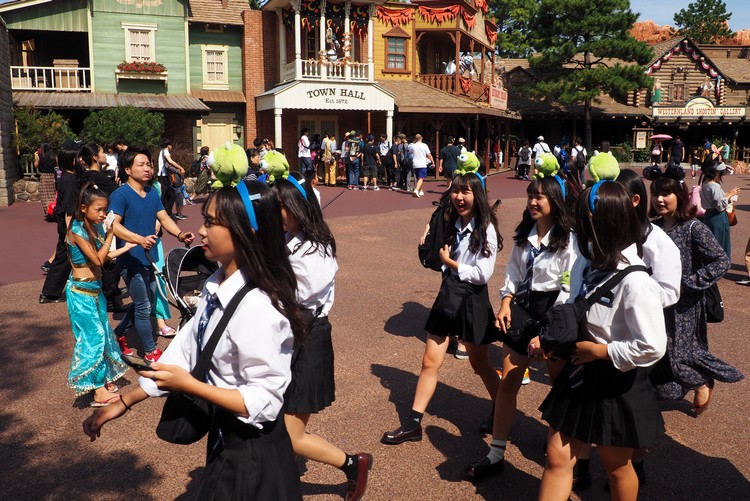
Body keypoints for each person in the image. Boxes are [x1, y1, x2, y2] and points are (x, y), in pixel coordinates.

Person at [83, 180, 304, 500]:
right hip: (226, 442)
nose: (201, 231)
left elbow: (264, 403)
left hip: (255, 458)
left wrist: (189, 385)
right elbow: (185, 352)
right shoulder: (217, 286)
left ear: (248, 231)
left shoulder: (258, 305)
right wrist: (123, 402)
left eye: (213, 222)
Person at [538, 181, 667, 501]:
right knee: (556, 456)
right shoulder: (587, 261)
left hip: (616, 382)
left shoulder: (637, 281)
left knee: (618, 468)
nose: (580, 228)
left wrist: (600, 350)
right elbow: (571, 296)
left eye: (586, 220)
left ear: (605, 222)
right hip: (580, 371)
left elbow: (653, 344)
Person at [465, 176, 583, 482]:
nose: (533, 201)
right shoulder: (524, 236)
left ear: (555, 202)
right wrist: (505, 303)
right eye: (531, 195)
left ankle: (568, 456)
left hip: (555, 313)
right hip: (523, 308)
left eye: (540, 197)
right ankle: (496, 454)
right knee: (509, 382)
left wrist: (545, 335)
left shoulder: (570, 240)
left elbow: (568, 290)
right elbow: (514, 275)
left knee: (559, 389)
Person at [381, 173, 502, 445]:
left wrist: (451, 262)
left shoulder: (487, 229)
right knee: (429, 361)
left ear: (478, 195)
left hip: (472, 299)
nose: (459, 197)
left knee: (480, 364)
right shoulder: (452, 222)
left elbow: (483, 274)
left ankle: (502, 408)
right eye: (456, 191)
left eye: (466, 192)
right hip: (449, 295)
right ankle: (412, 423)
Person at [275, 172, 373, 501]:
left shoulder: (316, 250)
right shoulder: (285, 239)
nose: (274, 213)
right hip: (285, 337)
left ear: (296, 207)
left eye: (279, 207)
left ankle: (352, 464)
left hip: (307, 337)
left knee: (291, 435)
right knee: (272, 420)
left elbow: (298, 294)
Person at [650, 175, 743, 416]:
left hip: (685, 305)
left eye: (666, 194)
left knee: (682, 352)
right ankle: (671, 388)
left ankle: (702, 381)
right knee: (659, 349)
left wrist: (691, 283)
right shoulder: (653, 228)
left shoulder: (693, 228)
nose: (659, 199)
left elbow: (721, 260)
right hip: (656, 301)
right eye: (655, 193)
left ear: (679, 197)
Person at [110, 146, 195, 362]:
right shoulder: (120, 195)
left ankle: (119, 334)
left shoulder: (152, 193)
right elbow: (114, 226)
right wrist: (138, 239)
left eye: (149, 164)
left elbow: (165, 218)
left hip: (149, 259)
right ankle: (149, 351)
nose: (147, 168)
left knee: (145, 300)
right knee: (144, 305)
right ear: (127, 169)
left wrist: (179, 234)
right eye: (141, 164)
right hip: (130, 260)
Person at [65, 183, 134, 406]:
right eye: (99, 210)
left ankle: (101, 380)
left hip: (94, 291)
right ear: (84, 208)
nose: (103, 214)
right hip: (81, 293)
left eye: (105, 210)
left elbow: (103, 256)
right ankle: (97, 391)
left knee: (102, 335)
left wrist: (124, 248)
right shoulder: (76, 229)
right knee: (92, 339)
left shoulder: (93, 228)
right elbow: (96, 259)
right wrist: (111, 233)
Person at [40, 145, 85, 304]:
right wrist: (70, 231)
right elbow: (69, 208)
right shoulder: (70, 179)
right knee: (62, 258)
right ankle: (49, 293)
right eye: (77, 158)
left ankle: (50, 292)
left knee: (63, 258)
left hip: (66, 223)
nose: (80, 160)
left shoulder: (67, 177)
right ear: (71, 160)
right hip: (68, 224)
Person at [700, 160, 740, 257]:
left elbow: (715, 199)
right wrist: (731, 193)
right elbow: (720, 206)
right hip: (718, 217)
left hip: (708, 216)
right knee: (720, 242)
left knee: (711, 242)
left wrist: (727, 195)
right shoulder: (715, 186)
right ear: (717, 173)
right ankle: (720, 265)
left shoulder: (705, 183)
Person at [157, 139, 187, 220]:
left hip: (163, 175)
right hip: (163, 175)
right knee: (169, 194)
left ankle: (166, 212)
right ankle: (165, 213)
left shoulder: (162, 151)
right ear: (168, 145)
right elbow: (170, 161)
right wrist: (180, 168)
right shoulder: (165, 151)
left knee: (167, 194)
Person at [35, 142, 58, 221]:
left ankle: (49, 212)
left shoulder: (40, 156)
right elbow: (57, 166)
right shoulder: (54, 157)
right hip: (52, 177)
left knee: (45, 196)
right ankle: (54, 210)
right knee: (52, 196)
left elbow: (36, 165)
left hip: (44, 177)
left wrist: (36, 157)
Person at [411, 133, 433, 198]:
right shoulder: (424, 145)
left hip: (415, 163)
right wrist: (433, 162)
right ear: (421, 138)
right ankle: (416, 190)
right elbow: (429, 155)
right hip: (422, 163)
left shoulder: (413, 145)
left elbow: (410, 151)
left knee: (418, 178)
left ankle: (420, 190)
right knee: (421, 178)